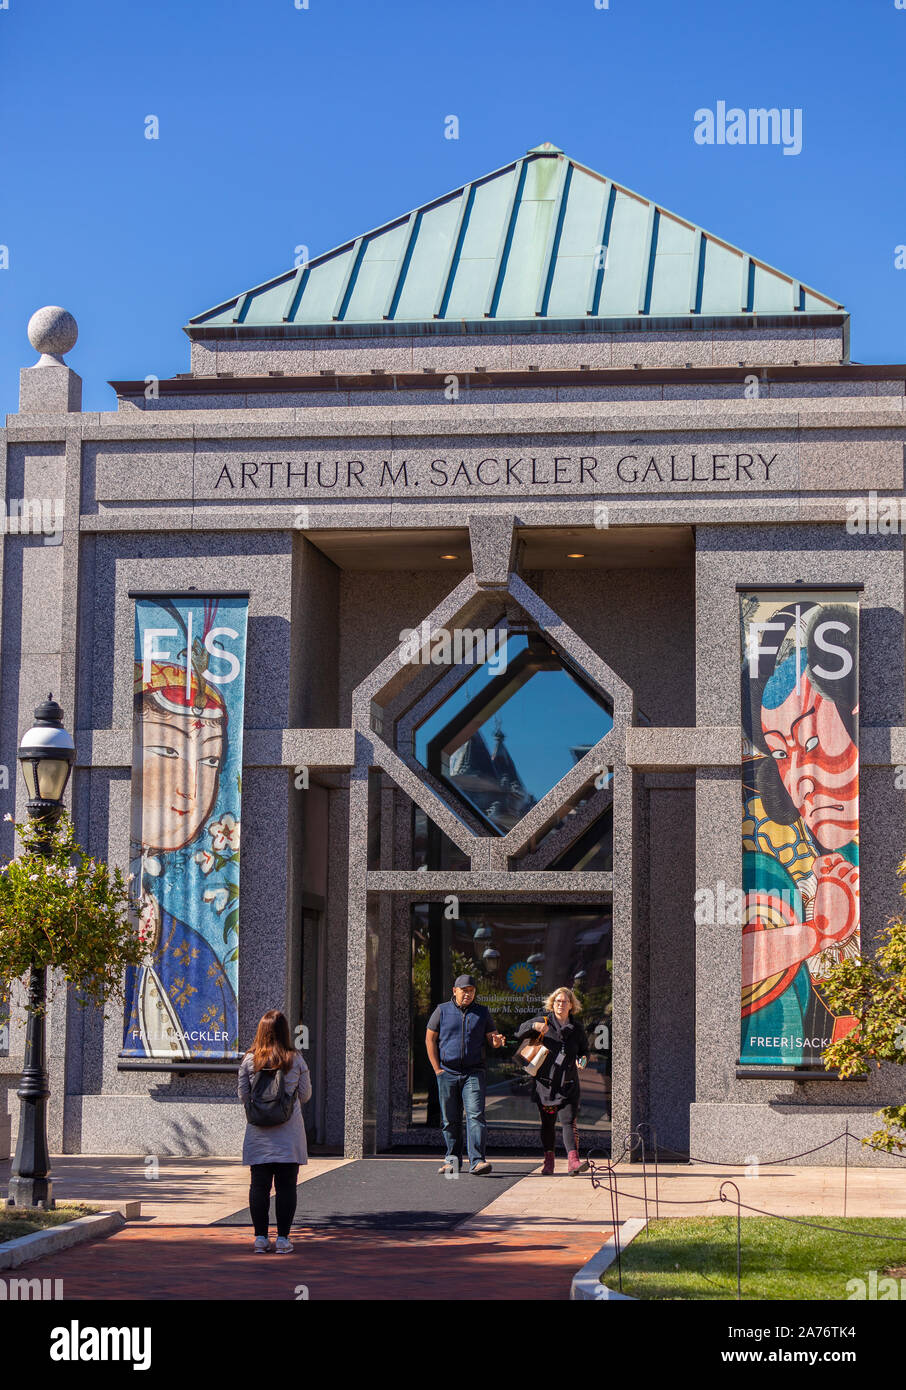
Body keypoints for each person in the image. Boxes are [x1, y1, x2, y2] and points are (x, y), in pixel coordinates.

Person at [238, 1009, 312, 1253]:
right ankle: (283, 1239)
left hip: (259, 1134)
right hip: (288, 1135)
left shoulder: (249, 1060)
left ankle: (260, 1238)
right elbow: (306, 1094)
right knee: (286, 1186)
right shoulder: (296, 1059)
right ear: (284, 1031)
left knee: (258, 1185)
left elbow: (243, 1096)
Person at [425, 974, 505, 1175]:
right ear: (455, 991)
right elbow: (429, 1039)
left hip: (473, 1073)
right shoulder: (441, 1011)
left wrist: (496, 1042)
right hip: (447, 1073)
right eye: (464, 990)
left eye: (471, 991)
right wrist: (437, 1069)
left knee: (476, 1116)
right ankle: (452, 1162)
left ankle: (477, 1161)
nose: (468, 994)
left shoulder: (482, 1012)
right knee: (450, 1119)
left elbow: (492, 1038)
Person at [515, 986, 590, 1175]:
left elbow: (584, 1051)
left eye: (565, 1001)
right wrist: (534, 1026)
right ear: (552, 1003)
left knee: (569, 1122)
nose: (560, 1004)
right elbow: (519, 1032)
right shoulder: (543, 1021)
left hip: (568, 1084)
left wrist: (583, 1060)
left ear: (571, 1005)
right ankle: (549, 1161)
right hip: (546, 1085)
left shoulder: (577, 1028)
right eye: (557, 1001)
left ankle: (574, 1162)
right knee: (548, 1124)